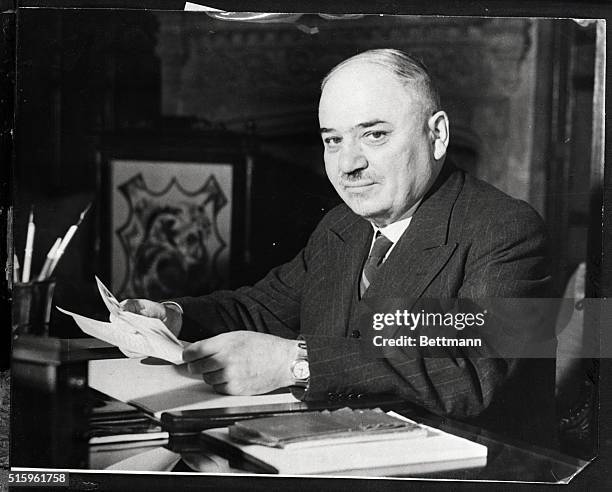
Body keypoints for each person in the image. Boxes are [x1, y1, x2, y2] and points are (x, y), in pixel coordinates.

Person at [122, 49, 555, 446]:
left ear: (437, 135)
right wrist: (173, 317)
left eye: (375, 135)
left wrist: (297, 362)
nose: (349, 165)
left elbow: (473, 376)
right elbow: (262, 310)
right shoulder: (343, 225)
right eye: (333, 140)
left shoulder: (503, 229)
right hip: (333, 447)